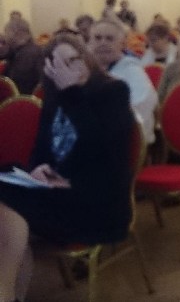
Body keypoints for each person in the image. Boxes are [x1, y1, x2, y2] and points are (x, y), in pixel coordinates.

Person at [0, 33, 134, 302]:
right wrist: (39, 170)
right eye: (58, 64)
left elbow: (104, 155)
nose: (67, 69)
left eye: (73, 60)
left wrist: (72, 93)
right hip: (56, 193)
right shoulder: (54, 97)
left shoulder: (114, 92)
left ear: (87, 59)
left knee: (8, 208)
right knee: (6, 192)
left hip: (97, 202)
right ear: (49, 69)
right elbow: (41, 151)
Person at [87, 20, 158, 144]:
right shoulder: (82, 70)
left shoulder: (132, 71)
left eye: (109, 39)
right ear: (89, 42)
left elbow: (140, 105)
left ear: (122, 44)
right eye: (97, 38)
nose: (103, 43)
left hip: (120, 140)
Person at [0, 18, 43, 94]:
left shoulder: (27, 55)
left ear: (18, 33)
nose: (6, 37)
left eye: (6, 33)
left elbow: (16, 86)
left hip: (23, 96)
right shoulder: (30, 49)